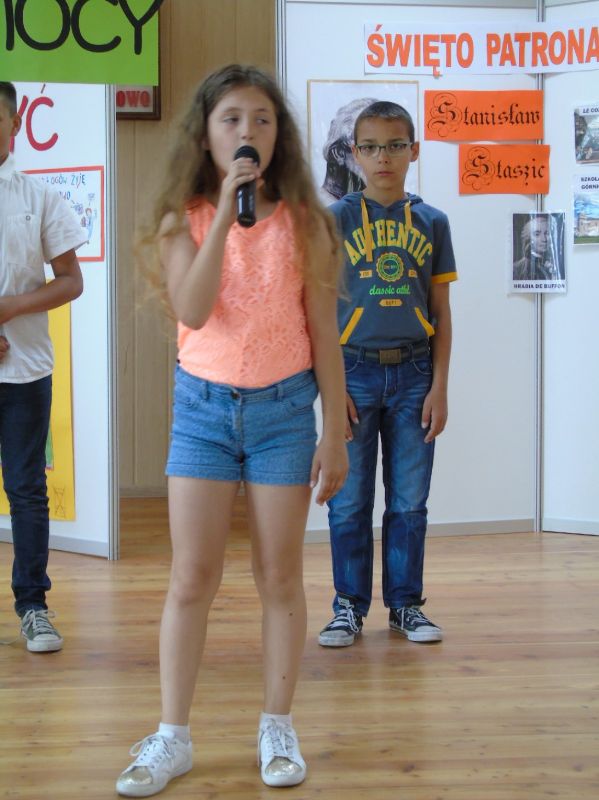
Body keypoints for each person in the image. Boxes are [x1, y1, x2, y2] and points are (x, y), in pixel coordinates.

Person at [116, 65, 348, 796]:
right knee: (192, 576)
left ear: (280, 136)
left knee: (279, 575)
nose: (248, 131)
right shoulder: (180, 219)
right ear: (205, 135)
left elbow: (324, 332)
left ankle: (277, 725)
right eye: (232, 119)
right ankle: (173, 735)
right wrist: (223, 214)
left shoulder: (307, 223)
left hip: (285, 412)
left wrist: (335, 434)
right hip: (204, 412)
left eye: (262, 119)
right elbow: (192, 308)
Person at [318, 101, 457, 648]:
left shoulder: (433, 222)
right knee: (349, 502)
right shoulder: (336, 220)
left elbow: (442, 313)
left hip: (415, 373)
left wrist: (440, 386)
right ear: (355, 154)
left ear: (413, 151)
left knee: (409, 502)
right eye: (371, 147)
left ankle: (405, 606)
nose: (383, 157)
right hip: (352, 372)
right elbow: (318, 313)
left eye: (395, 146)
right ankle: (347, 607)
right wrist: (332, 394)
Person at [0, 82, 85, 652]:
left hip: (24, 372)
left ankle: (33, 606)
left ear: (15, 123)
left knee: (26, 490)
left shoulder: (40, 197)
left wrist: (10, 309)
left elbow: (71, 281)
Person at [513, 215, 563, 282]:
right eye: (537, 234)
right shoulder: (517, 269)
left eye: (547, 233)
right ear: (528, 238)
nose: (544, 239)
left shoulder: (557, 264)